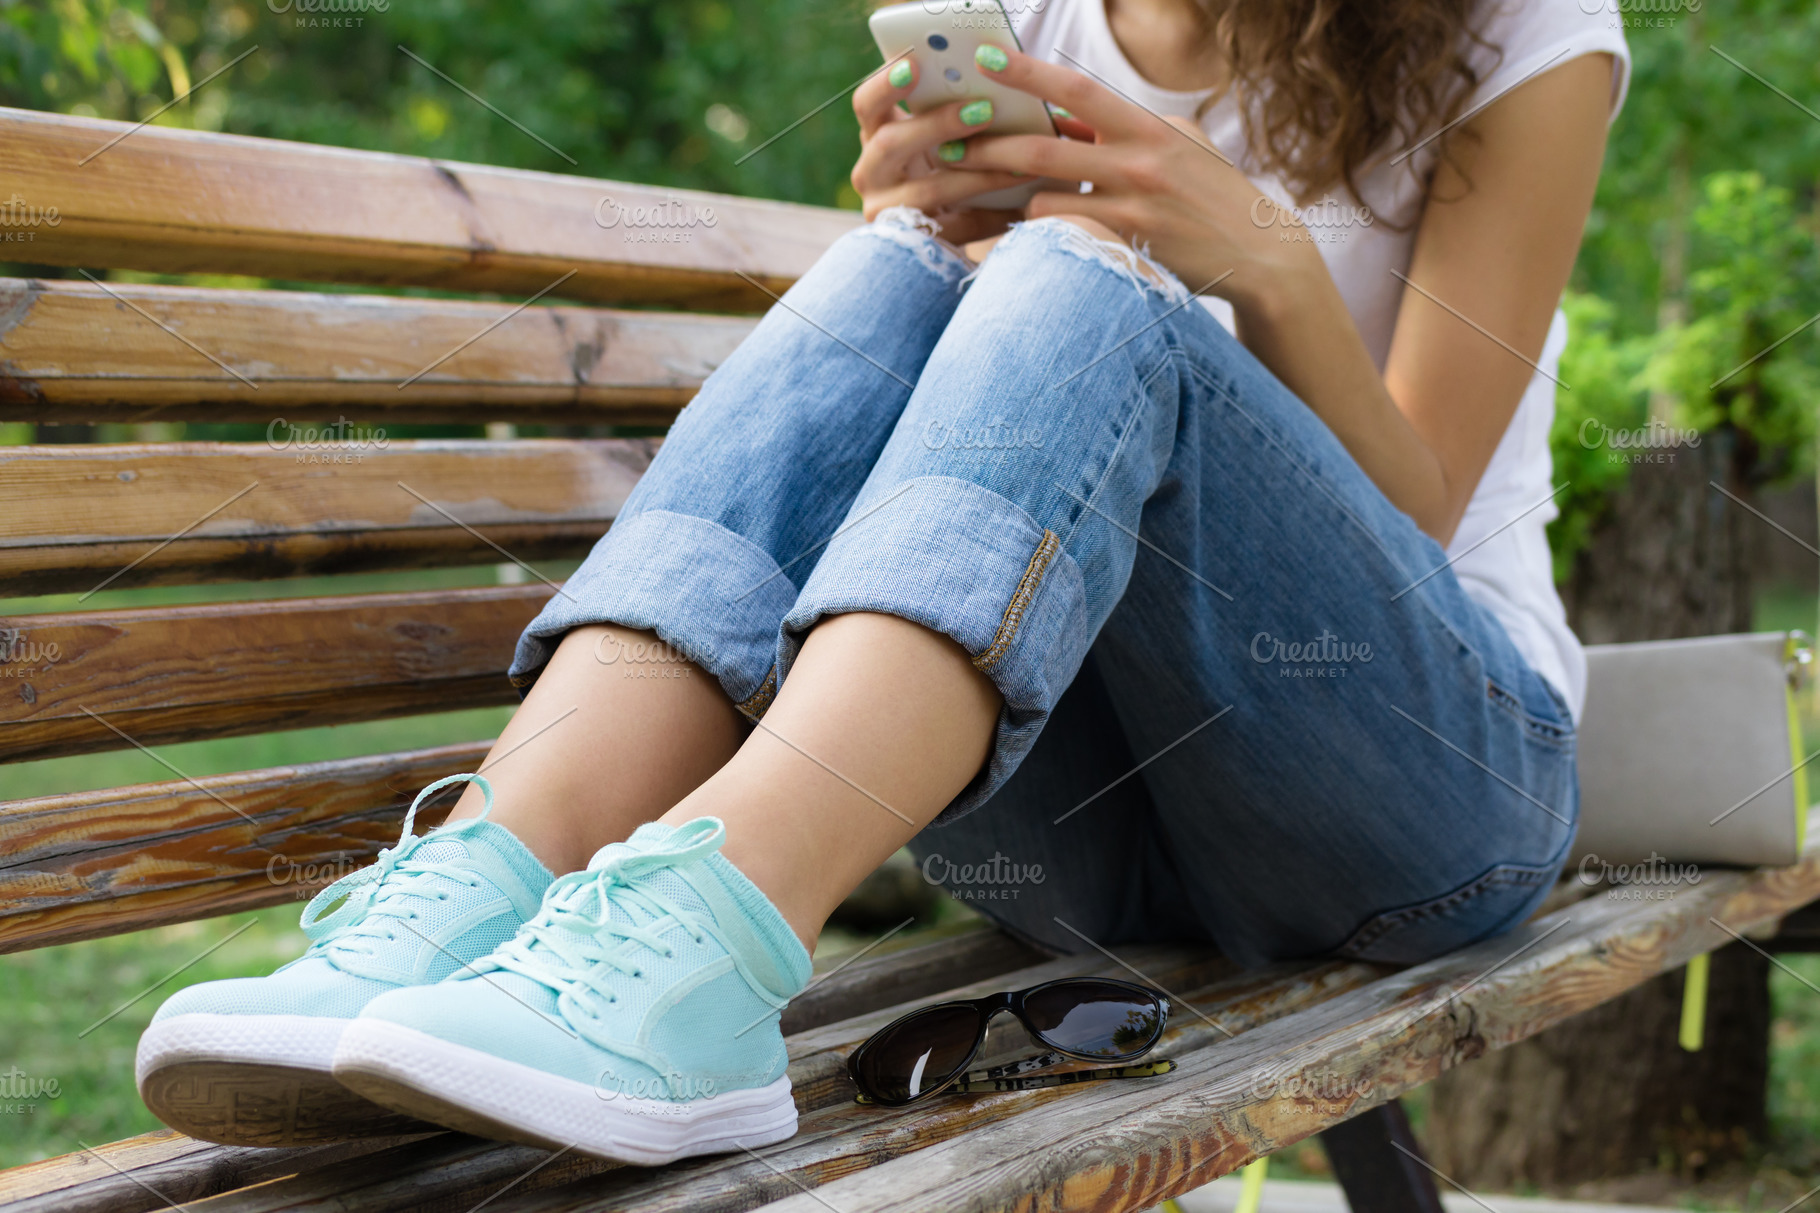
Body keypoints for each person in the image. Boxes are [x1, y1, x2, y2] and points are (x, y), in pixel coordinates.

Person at [135, 0, 1627, 1164]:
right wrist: (931, 248)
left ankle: (705, 963)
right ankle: (494, 877)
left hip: (1428, 795)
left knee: (1073, 277)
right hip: (1088, 814)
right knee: (888, 277)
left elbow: (1420, 504)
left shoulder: (1527, 36)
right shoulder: (1032, 23)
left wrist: (1264, 261)